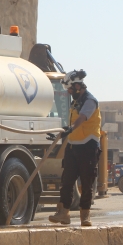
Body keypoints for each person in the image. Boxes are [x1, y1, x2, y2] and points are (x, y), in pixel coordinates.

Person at [49, 69, 101, 226]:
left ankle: (85, 216)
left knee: (86, 182)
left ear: (78, 86)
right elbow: (73, 123)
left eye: (70, 89)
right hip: (73, 147)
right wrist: (62, 133)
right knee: (67, 181)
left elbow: (82, 119)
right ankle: (63, 213)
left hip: (88, 146)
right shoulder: (75, 101)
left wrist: (70, 129)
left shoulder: (90, 101)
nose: (69, 92)